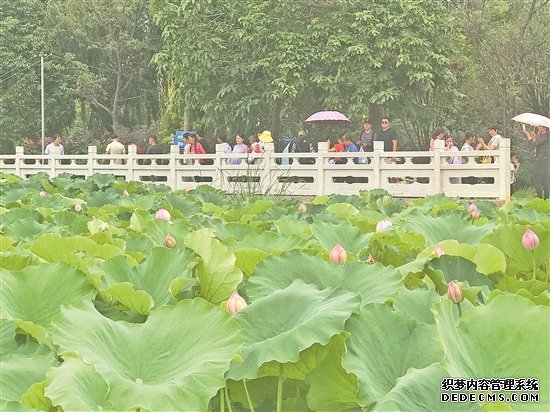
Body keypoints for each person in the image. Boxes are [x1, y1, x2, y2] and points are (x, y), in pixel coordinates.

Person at [523, 125, 549, 199]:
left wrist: (528, 136)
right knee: (545, 181)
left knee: (538, 181)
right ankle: (545, 199)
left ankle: (541, 198)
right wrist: (534, 137)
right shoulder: (543, 136)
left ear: (544, 128)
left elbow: (534, 144)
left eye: (539, 126)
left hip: (542, 161)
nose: (538, 127)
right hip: (544, 161)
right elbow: (537, 145)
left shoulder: (546, 136)